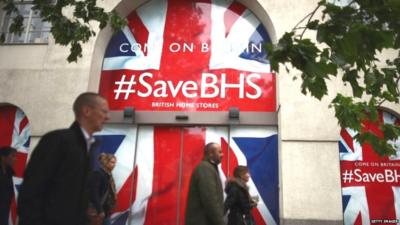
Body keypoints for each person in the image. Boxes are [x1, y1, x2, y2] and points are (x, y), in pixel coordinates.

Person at [17, 92, 109, 225]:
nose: (107, 117)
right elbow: (32, 190)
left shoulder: (88, 148)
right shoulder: (58, 140)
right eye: (103, 111)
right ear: (87, 111)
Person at [185, 142, 225, 225]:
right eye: (220, 152)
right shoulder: (205, 168)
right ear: (210, 154)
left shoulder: (209, 167)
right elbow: (210, 200)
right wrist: (220, 222)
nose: (223, 154)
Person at [87, 153, 117, 225]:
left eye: (115, 163)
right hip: (98, 211)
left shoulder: (108, 175)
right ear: (106, 162)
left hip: (105, 211)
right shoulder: (98, 174)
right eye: (112, 162)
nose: (114, 165)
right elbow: (94, 193)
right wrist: (100, 210)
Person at [0, 147, 17, 225]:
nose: (15, 159)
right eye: (13, 156)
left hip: (5, 208)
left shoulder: (11, 172)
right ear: (3, 157)